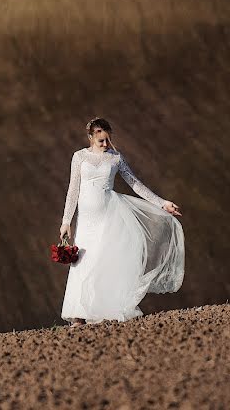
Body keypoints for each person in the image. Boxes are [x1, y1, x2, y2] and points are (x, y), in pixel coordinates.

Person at [58, 117, 184, 327]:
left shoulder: (115, 158)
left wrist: (163, 204)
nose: (106, 144)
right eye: (101, 141)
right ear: (91, 138)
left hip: (109, 214)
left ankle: (101, 309)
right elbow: (73, 190)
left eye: (108, 140)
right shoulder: (79, 157)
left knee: (102, 260)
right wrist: (66, 221)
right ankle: (78, 315)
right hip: (86, 219)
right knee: (82, 261)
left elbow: (135, 184)